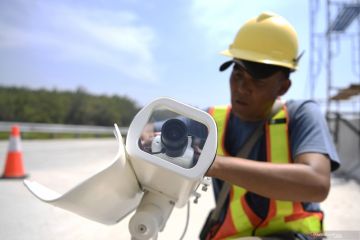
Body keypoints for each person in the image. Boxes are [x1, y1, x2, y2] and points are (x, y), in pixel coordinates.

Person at [200, 12, 340, 240]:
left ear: (283, 87)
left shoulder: (301, 115)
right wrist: (148, 135)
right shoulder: (211, 120)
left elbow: (317, 183)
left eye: (257, 80)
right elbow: (153, 131)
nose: (242, 88)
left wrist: (215, 164)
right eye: (238, 74)